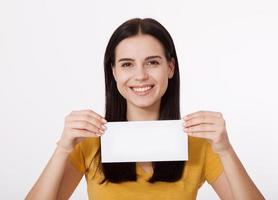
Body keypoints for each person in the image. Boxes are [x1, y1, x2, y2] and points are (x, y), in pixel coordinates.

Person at [26, 18, 264, 200]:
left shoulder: (200, 144)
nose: (140, 75)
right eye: (127, 64)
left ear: (170, 68)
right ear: (114, 72)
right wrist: (63, 147)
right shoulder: (88, 142)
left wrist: (226, 150)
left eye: (152, 62)